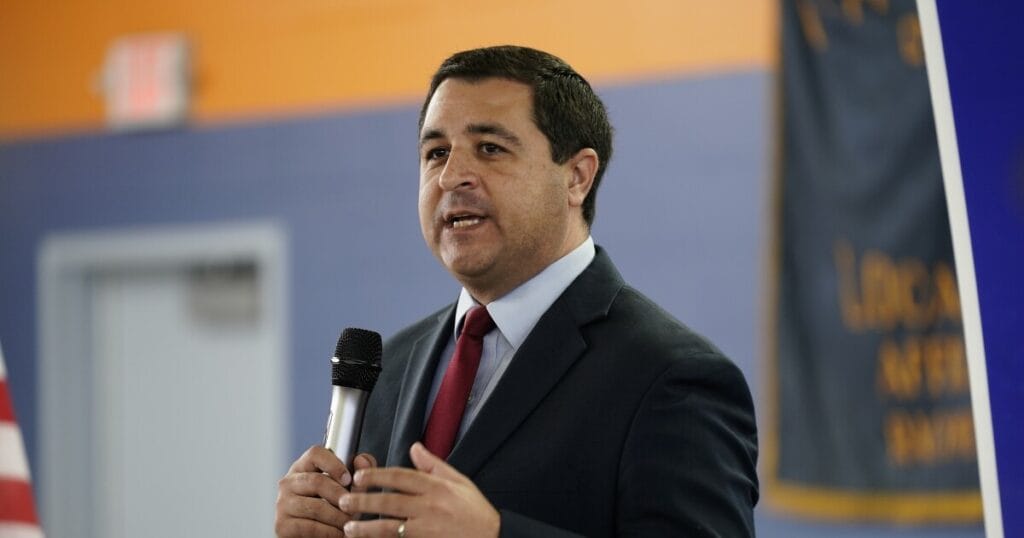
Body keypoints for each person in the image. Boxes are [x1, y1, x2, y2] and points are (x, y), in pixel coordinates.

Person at [275, 45, 758, 538]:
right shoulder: (391, 366)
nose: (450, 176)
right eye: (436, 152)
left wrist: (495, 534)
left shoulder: (674, 378)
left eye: (489, 148)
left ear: (577, 177)